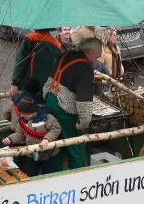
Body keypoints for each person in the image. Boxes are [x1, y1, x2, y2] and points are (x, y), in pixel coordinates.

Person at [43, 37, 102, 171]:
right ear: (90, 51)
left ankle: (56, 175)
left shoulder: (67, 54)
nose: (100, 55)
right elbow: (84, 99)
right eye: (99, 52)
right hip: (63, 108)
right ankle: (77, 177)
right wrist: (83, 122)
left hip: (50, 100)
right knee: (76, 146)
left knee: (57, 145)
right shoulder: (85, 69)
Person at [2, 97, 61, 177]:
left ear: (32, 112)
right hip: (31, 154)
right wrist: (10, 139)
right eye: (21, 113)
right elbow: (20, 134)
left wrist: (47, 139)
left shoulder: (47, 118)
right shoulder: (22, 120)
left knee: (48, 174)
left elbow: (56, 129)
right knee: (31, 174)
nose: (22, 115)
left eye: (25, 114)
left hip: (48, 153)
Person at [9, 29, 62, 96]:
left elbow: (21, 61)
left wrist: (15, 83)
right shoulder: (57, 44)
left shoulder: (31, 38)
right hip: (47, 88)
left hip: (30, 85)